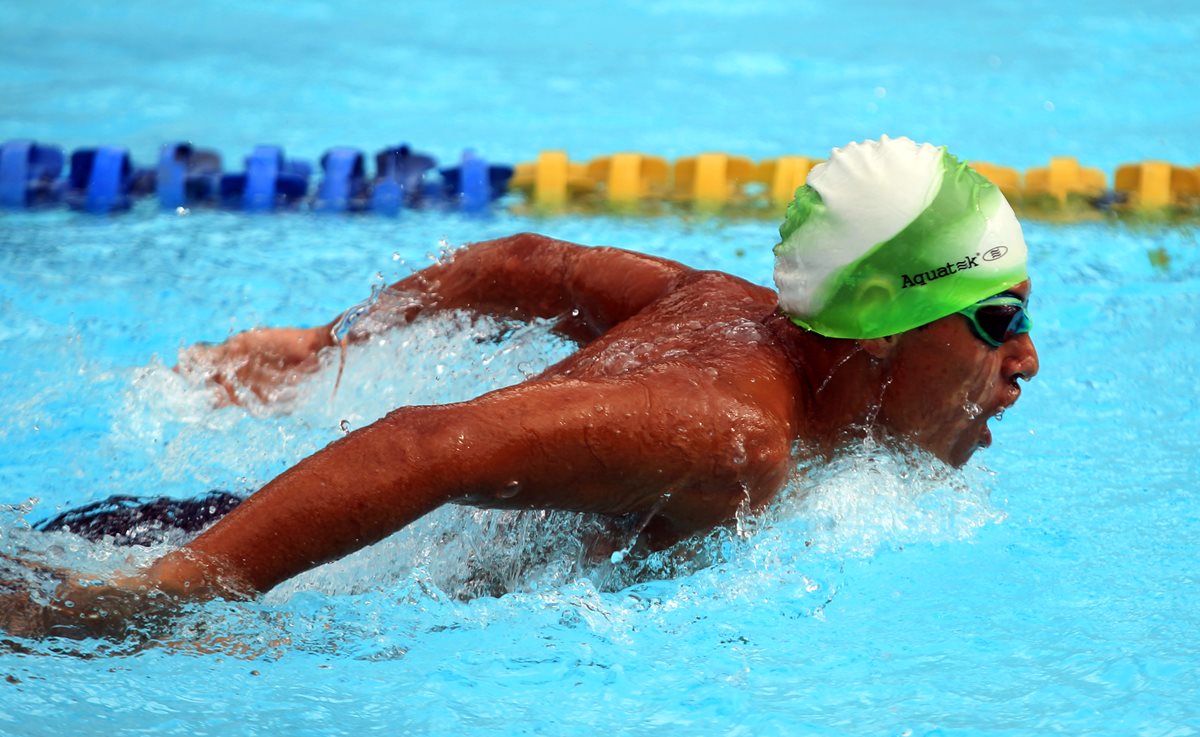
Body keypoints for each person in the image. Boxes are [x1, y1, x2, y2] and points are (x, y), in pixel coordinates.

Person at [1, 136, 1038, 641]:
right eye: (999, 318)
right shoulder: (731, 436)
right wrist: (163, 595)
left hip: (202, 527)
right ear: (880, 331)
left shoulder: (729, 307)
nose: (1025, 359)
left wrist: (325, 347)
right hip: (196, 566)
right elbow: (421, 444)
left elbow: (531, 261)